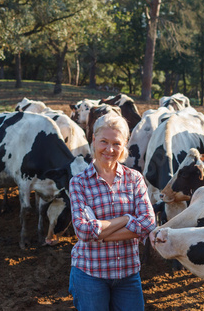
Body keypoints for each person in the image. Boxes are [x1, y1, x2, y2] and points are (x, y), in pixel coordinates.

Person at [68, 113, 156, 311]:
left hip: (128, 274)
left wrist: (99, 234)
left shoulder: (134, 179)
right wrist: (126, 219)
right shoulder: (79, 182)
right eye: (104, 142)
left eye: (116, 143)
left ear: (124, 144)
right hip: (90, 273)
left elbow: (149, 223)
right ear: (93, 140)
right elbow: (82, 231)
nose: (109, 149)